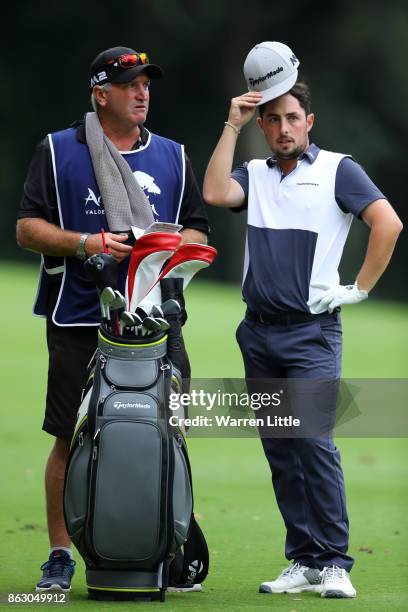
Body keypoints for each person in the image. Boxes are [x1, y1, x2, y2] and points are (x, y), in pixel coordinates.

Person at [203, 41, 402, 599]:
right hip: (258, 333)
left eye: (293, 118)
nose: (285, 128)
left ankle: (335, 562)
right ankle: (304, 558)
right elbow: (215, 192)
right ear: (263, 126)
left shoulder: (341, 170)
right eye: (274, 120)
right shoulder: (256, 174)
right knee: (281, 449)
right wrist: (230, 122)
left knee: (314, 442)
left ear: (308, 121)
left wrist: (358, 290)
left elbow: (388, 224)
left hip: (311, 334)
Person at [16, 45, 209, 592]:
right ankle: (59, 553)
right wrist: (85, 242)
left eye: (146, 83)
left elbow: (197, 227)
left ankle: (164, 541)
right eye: (129, 85)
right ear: (100, 94)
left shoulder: (173, 155)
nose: (142, 92)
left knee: (172, 433)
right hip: (79, 315)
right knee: (66, 436)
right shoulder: (56, 151)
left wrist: (168, 248)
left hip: (159, 318)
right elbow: (28, 228)